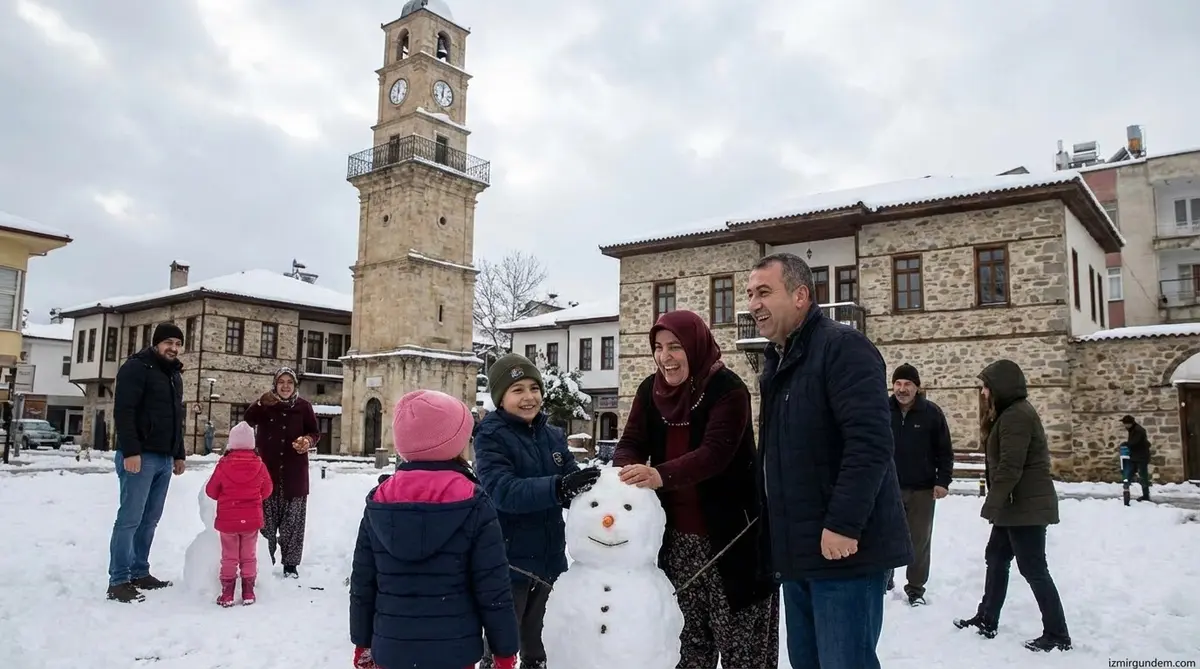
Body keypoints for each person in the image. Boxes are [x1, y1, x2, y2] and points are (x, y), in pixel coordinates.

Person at [748, 253, 912, 669]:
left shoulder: (844, 348)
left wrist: (842, 523)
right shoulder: (778, 362)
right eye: (750, 294)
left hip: (844, 555)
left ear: (801, 295)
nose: (753, 304)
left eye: (764, 292)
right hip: (798, 552)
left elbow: (870, 443)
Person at [614, 309, 779, 669]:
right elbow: (630, 441)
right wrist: (625, 470)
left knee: (743, 651)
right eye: (658, 347)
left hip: (733, 541)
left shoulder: (729, 390)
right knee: (687, 649)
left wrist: (657, 475)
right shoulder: (650, 390)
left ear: (695, 346)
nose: (665, 357)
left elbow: (714, 455)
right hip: (677, 545)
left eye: (675, 347)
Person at [349, 390, 519, 669]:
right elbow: (493, 587)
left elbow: (363, 585)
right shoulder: (473, 501)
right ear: (454, 442)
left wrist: (362, 642)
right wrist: (504, 651)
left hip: (391, 648)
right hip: (455, 651)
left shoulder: (380, 499)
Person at [473, 353, 601, 669]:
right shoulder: (490, 437)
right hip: (510, 565)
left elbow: (572, 486)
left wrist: (599, 492)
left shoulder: (551, 434)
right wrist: (558, 488)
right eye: (518, 390)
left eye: (534, 387)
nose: (529, 397)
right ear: (501, 398)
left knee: (543, 648)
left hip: (550, 562)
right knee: (502, 649)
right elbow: (502, 491)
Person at [954, 359, 1071, 653]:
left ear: (1000, 388)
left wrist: (991, 505)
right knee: (995, 557)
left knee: (1033, 569)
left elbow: (1009, 467)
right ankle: (987, 618)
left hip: (1024, 508)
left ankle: (1057, 634)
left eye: (986, 388)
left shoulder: (1016, 416)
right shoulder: (1009, 414)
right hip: (1014, 507)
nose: (983, 394)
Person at [106, 322, 188, 603]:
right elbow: (124, 411)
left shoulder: (174, 375)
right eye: (168, 343)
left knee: (150, 520)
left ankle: (140, 571)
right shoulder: (136, 368)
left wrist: (179, 453)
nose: (173, 348)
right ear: (156, 343)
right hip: (139, 456)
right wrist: (131, 451)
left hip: (164, 458)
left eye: (178, 344)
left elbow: (178, 417)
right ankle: (118, 580)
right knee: (130, 519)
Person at [242, 367, 320, 578]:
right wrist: (260, 402)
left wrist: (307, 441)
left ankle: (290, 565)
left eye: (290, 382)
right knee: (265, 522)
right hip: (267, 473)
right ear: (275, 384)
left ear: (295, 386)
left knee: (293, 525)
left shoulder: (304, 407)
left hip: (295, 475)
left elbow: (314, 432)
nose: (285, 386)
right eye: (281, 382)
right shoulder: (266, 405)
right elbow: (247, 420)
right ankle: (264, 563)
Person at [887, 363, 954, 606]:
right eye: (898, 384)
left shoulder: (931, 413)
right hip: (888, 488)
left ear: (917, 387)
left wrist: (943, 480)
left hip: (922, 489)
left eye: (907, 384)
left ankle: (915, 589)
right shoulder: (882, 410)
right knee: (886, 535)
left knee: (919, 541)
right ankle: (885, 579)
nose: (902, 389)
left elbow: (944, 451)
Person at [204, 421, 272, 607]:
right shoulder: (260, 464)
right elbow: (267, 490)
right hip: (251, 520)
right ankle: (248, 592)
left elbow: (211, 490)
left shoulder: (223, 464)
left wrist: (225, 496)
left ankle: (227, 594)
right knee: (249, 556)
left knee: (229, 557)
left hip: (228, 521)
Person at [1120, 415, 1152, 501]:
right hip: (1135, 456)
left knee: (1143, 476)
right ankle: (1126, 493)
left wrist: (1126, 444)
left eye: (1126, 424)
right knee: (1129, 474)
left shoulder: (1138, 430)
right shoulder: (1133, 429)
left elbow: (1135, 443)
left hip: (1141, 457)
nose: (1125, 426)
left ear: (1130, 423)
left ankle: (1146, 496)